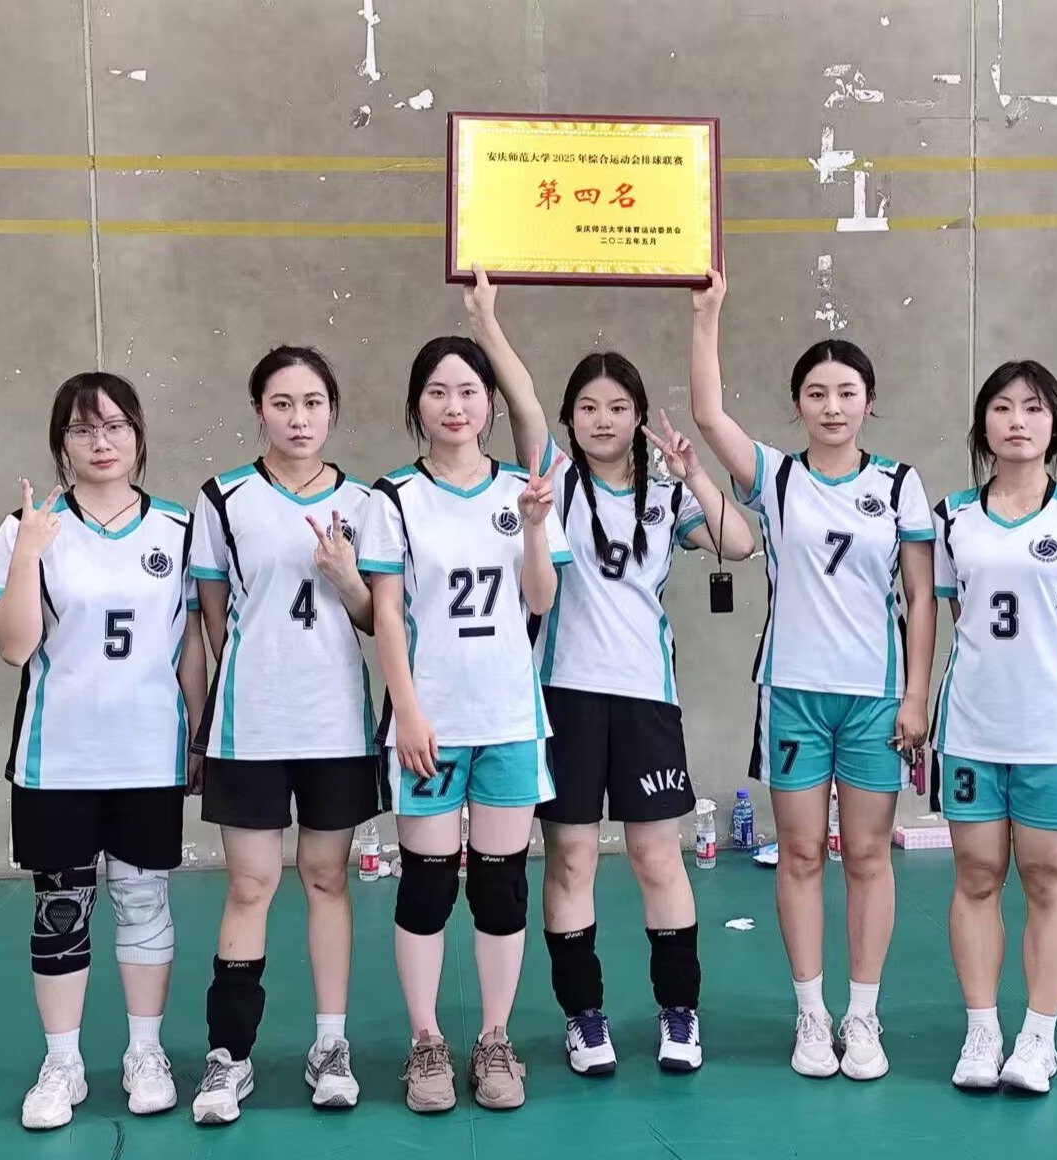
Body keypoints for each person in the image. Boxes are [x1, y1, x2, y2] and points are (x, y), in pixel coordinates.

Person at [464, 267, 754, 1076]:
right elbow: (520, 401)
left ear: (638, 418)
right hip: (563, 699)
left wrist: (693, 472)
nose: (603, 419)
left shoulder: (667, 496)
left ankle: (678, 1010)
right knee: (573, 860)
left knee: (660, 859)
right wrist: (487, 322)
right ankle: (583, 1016)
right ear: (570, 420)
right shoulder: (553, 480)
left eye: (619, 407)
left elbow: (739, 543)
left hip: (647, 700)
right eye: (588, 407)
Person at [688, 266, 938, 1081]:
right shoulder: (777, 476)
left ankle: (862, 1017)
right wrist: (709, 313)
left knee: (867, 856)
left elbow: (921, 598)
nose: (833, 406)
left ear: (870, 402)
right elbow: (707, 414)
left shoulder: (899, 485)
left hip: (875, 699)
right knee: (799, 854)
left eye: (847, 393)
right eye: (817, 393)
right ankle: (811, 1014)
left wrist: (916, 696)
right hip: (792, 693)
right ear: (798, 403)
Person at [0, 372, 206, 1130]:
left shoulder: (178, 528)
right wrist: (29, 553)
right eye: (82, 429)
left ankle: (146, 1052)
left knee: (143, 899)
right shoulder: (28, 527)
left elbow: (191, 645)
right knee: (61, 907)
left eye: (115, 426)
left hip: (148, 754)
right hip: (58, 758)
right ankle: (62, 1062)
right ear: (61, 443)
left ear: (138, 435)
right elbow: (13, 646)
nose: (101, 442)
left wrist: (197, 733)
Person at [356, 334, 570, 1114]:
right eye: (438, 391)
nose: (455, 406)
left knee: (501, 886)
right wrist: (408, 712)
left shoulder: (523, 487)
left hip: (509, 717)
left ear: (489, 404)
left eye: (469, 391)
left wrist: (535, 525)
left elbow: (541, 599)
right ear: (417, 403)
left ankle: (494, 1038)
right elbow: (385, 613)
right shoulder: (393, 497)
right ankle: (426, 1043)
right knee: (426, 885)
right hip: (431, 724)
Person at [186, 346, 383, 1124]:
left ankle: (330, 1045)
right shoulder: (222, 498)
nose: (299, 419)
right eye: (282, 403)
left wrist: (346, 578)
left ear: (332, 410)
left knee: (327, 878)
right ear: (258, 410)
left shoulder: (366, 502)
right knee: (250, 885)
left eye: (312, 403)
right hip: (251, 725)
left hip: (335, 723)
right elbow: (212, 617)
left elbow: (378, 620)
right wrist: (230, 699)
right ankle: (228, 1056)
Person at [929, 360, 1057, 1095]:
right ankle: (982, 1032)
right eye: (1003, 407)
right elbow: (959, 617)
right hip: (971, 729)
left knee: (1046, 878)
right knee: (977, 876)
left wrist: (1042, 689)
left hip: (1050, 730)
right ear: (983, 424)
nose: (1017, 420)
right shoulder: (952, 517)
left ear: (1055, 424)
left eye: (1034, 408)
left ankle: (1038, 1040)